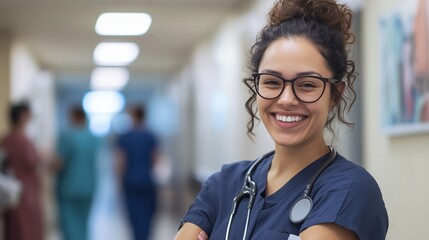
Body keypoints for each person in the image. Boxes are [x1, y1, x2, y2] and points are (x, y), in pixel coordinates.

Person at [175, 0, 389, 239]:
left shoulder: (350, 189)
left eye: (307, 84)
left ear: (335, 94)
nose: (286, 99)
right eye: (272, 82)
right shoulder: (224, 184)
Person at [53, 105, 100, 240]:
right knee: (83, 223)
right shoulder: (93, 138)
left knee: (69, 225)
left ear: (73, 117)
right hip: (88, 187)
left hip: (69, 188)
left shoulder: (68, 137)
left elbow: (58, 163)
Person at [115, 104, 159, 240]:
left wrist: (119, 182)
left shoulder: (125, 137)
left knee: (134, 216)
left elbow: (121, 162)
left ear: (134, 116)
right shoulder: (150, 136)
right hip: (147, 182)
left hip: (131, 182)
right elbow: (155, 159)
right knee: (147, 216)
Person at [0, 102, 44, 240]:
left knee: (14, 230)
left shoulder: (5, 140)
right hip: (26, 194)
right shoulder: (23, 140)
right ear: (22, 116)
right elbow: (32, 161)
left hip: (10, 194)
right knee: (27, 230)